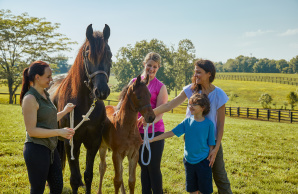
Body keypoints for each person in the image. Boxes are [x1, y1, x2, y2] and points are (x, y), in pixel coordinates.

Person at [141, 59, 232, 193]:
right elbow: (169, 105)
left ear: (209, 74)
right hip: (192, 141)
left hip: (211, 142)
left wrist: (216, 148)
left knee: (220, 177)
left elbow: (220, 125)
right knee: (194, 181)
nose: (195, 75)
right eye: (195, 72)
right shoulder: (191, 89)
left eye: (199, 72)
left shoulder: (219, 95)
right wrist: (147, 115)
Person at [20, 60, 75, 194]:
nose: (51, 80)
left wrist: (64, 112)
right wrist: (59, 132)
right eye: (48, 77)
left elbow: (49, 120)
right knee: (37, 190)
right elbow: (32, 131)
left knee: (57, 188)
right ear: (37, 77)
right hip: (36, 150)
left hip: (51, 148)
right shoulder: (30, 99)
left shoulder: (46, 94)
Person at [116, 52, 168, 193]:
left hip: (154, 131)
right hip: (135, 132)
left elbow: (160, 111)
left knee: (153, 167)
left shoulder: (161, 87)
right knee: (143, 166)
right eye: (149, 65)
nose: (151, 69)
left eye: (155, 67)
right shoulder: (134, 82)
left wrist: (149, 122)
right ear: (144, 64)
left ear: (158, 68)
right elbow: (123, 101)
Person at [150, 93, 215, 194]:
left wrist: (211, 155)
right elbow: (171, 133)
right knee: (192, 190)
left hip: (203, 162)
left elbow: (211, 142)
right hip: (188, 161)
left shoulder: (209, 124)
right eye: (189, 104)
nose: (190, 107)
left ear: (203, 107)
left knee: (204, 190)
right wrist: (153, 139)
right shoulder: (187, 121)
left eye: (194, 104)